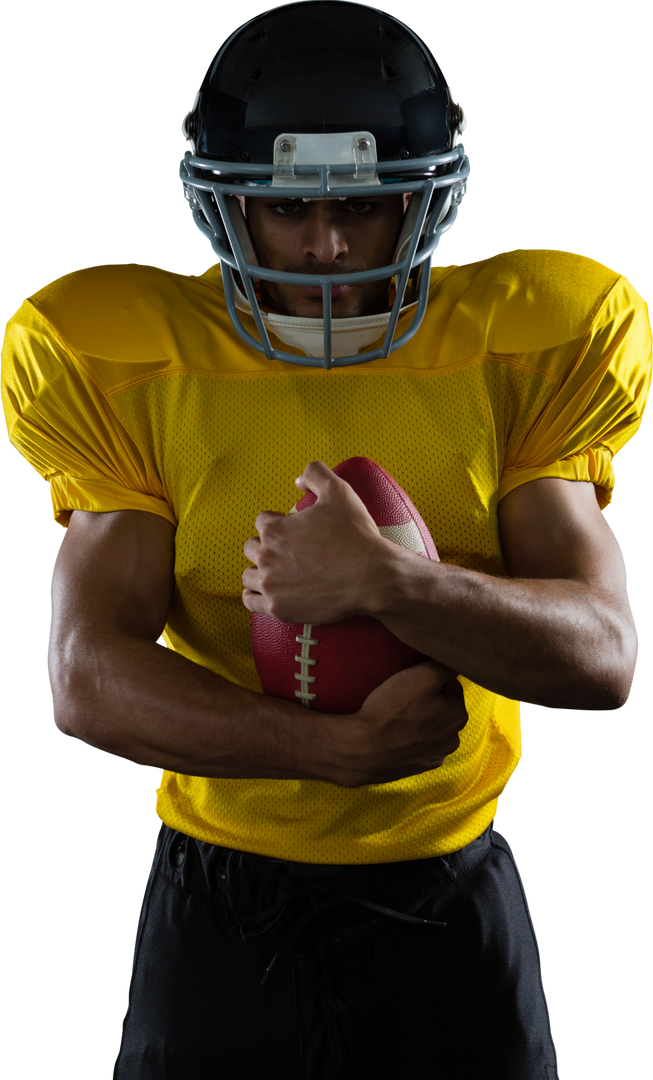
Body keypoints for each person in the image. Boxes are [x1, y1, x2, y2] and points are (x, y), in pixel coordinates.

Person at [0, 2, 649, 1077]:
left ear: (425, 200)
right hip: (217, 891)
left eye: (363, 206)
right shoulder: (124, 355)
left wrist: (393, 586)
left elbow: (603, 657)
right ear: (222, 209)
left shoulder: (525, 338)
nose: (327, 245)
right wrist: (329, 754)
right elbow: (84, 680)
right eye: (287, 209)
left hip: (447, 880)